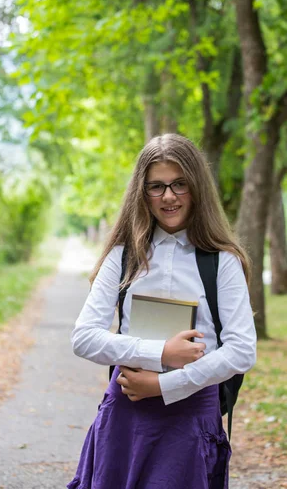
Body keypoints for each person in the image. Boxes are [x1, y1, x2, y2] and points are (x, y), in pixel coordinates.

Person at [67, 133, 256, 489]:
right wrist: (159, 353)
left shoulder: (223, 261)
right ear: (142, 192)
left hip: (190, 413)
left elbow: (242, 350)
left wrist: (166, 384)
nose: (169, 196)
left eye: (179, 184)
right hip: (127, 406)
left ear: (196, 187)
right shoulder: (122, 256)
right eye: (156, 186)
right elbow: (83, 338)